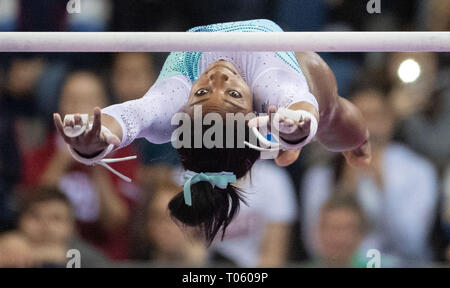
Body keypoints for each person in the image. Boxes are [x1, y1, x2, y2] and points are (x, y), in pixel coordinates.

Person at [54, 19, 371, 244]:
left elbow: (132, 115)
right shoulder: (268, 77)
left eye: (201, 93)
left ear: (184, 108)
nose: (217, 79)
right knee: (327, 104)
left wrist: (95, 141)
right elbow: (295, 99)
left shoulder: (173, 99)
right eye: (233, 96)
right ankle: (346, 143)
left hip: (260, 126)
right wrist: (299, 126)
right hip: (286, 88)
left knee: (307, 112)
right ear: (252, 111)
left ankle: (285, 144)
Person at [302, 87, 438, 262]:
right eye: (357, 116)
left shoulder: (419, 171)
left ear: (390, 121)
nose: (367, 125)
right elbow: (313, 246)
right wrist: (345, 187)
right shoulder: (322, 174)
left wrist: (383, 189)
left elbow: (413, 244)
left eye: (375, 116)